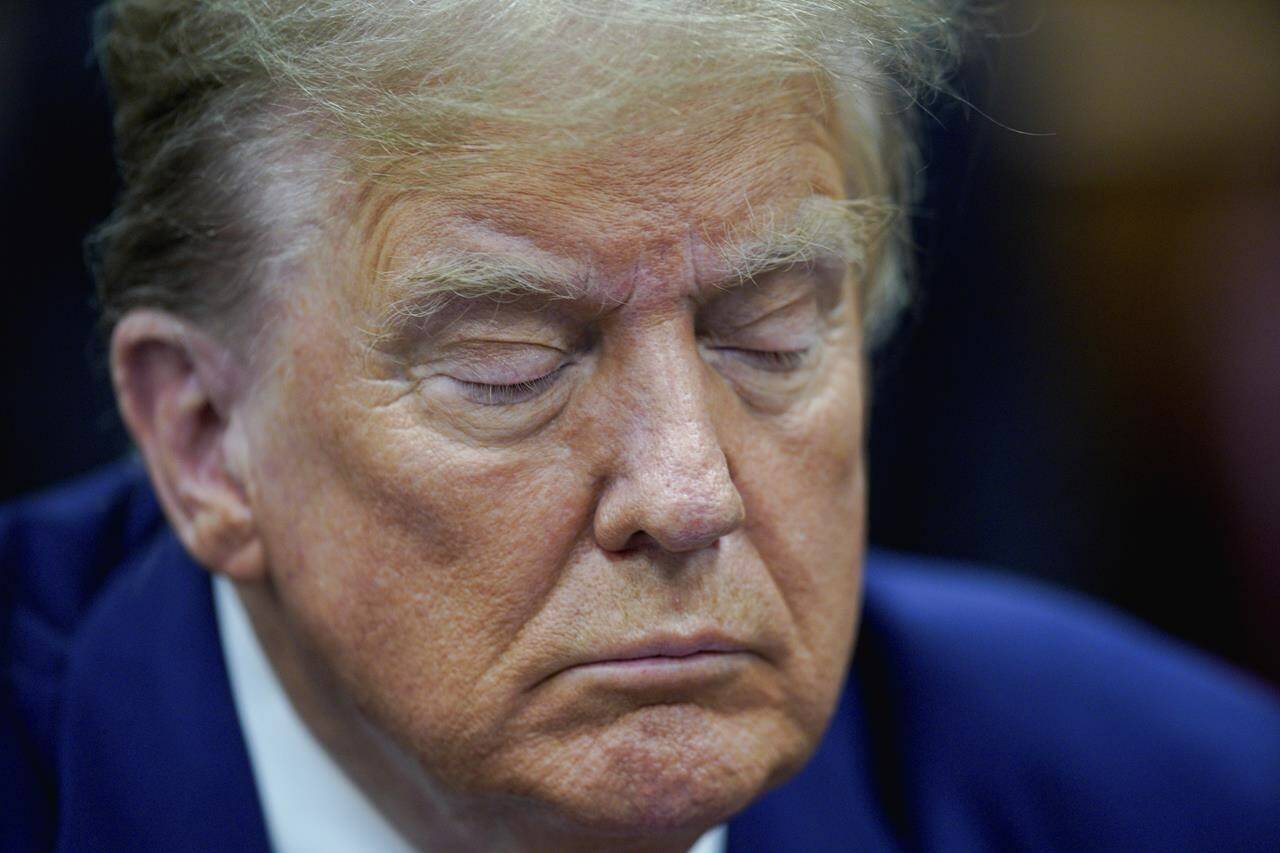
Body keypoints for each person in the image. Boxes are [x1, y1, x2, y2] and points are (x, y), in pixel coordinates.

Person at [3, 1, 1278, 851]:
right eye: (509, 365)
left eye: (769, 336)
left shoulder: (1175, 798)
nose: (686, 491)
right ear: (206, 437)